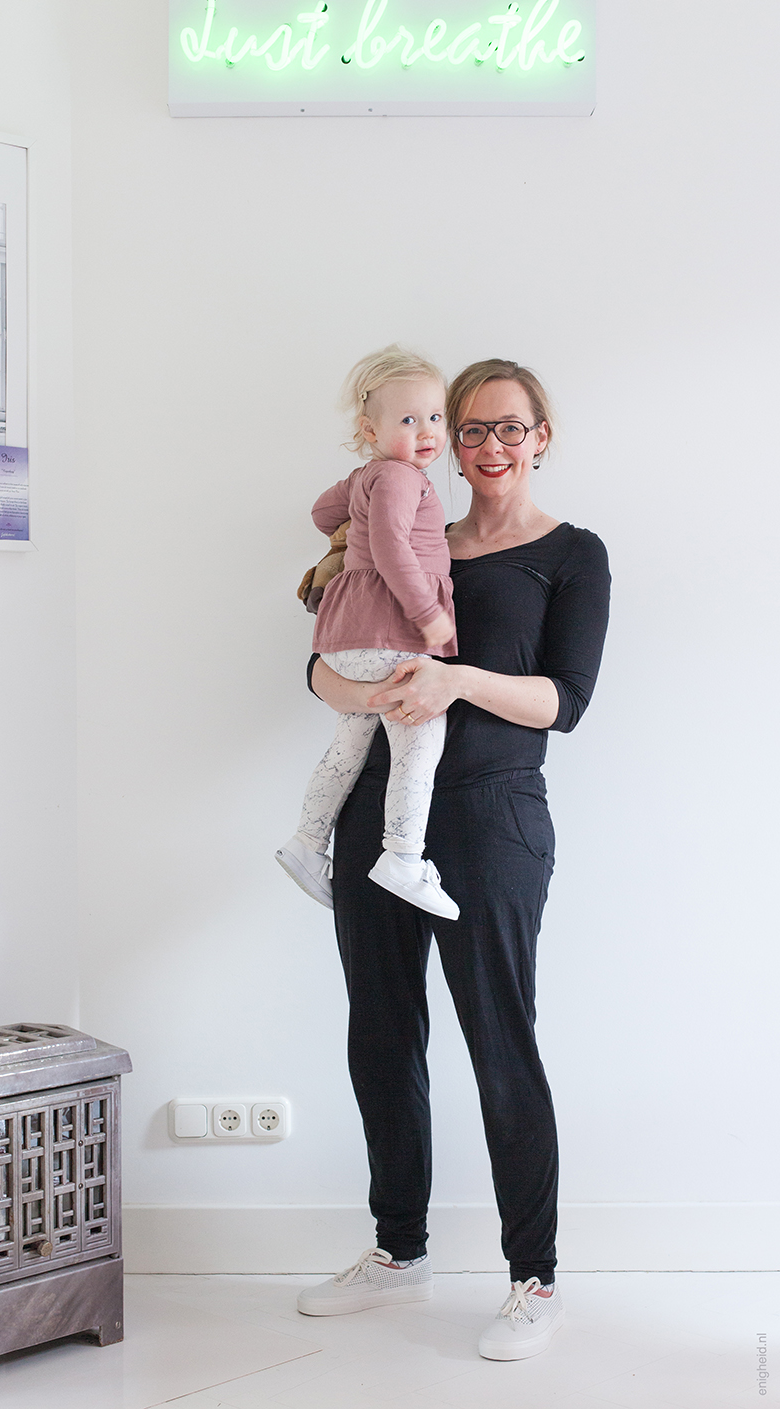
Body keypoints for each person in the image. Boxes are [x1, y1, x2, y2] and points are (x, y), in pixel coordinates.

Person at [295, 358, 611, 1362]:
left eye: (508, 428)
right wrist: (351, 691)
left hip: (492, 817)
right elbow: (323, 658)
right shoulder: (405, 525)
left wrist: (455, 676)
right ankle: (399, 1251)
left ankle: (533, 1277)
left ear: (541, 435)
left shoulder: (569, 553)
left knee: (496, 1039)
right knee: (380, 1032)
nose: (486, 446)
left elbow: (563, 701)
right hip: (379, 815)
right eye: (470, 429)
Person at [276, 345, 460, 920]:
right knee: (419, 739)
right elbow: (389, 547)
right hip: (391, 630)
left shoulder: (364, 477)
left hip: (346, 636)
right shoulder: (404, 478)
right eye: (408, 420)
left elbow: (319, 513)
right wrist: (427, 613)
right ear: (369, 428)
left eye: (435, 417)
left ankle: (308, 843)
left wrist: (352, 525)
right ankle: (403, 856)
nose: (427, 431)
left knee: (350, 740)